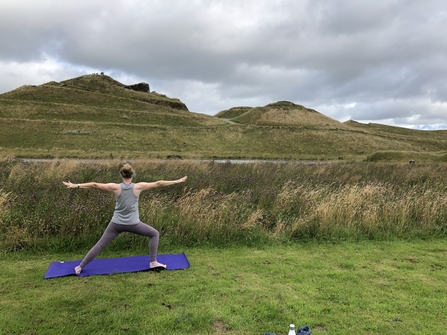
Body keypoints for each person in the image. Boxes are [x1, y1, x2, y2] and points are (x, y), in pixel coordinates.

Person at [63, 163, 187, 275]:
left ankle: (80, 267)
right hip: (133, 224)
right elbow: (158, 183)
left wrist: (76, 185)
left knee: (100, 245)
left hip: (116, 224)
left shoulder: (115, 187)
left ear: (121, 175)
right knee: (155, 234)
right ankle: (153, 262)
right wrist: (177, 181)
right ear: (132, 175)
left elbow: (95, 185)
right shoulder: (138, 187)